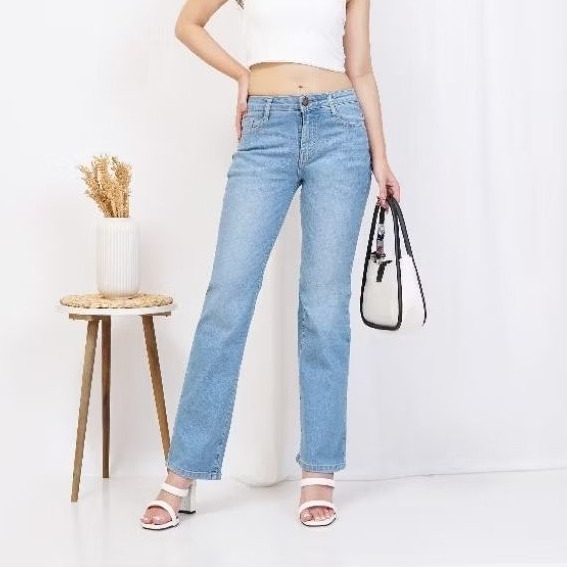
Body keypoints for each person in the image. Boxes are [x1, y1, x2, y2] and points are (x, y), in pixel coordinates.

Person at [141, 0, 401, 530]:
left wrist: (380, 157)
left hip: (341, 131)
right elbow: (188, 24)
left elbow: (361, 68)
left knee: (323, 309)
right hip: (265, 129)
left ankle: (319, 471)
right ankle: (183, 470)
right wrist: (242, 74)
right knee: (226, 301)